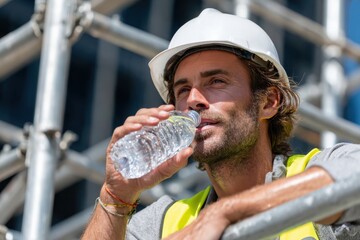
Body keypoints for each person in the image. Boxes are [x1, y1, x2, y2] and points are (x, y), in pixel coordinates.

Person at [82, 8, 360, 240]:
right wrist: (115, 195)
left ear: (269, 102)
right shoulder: (164, 221)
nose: (194, 100)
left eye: (216, 82)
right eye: (182, 90)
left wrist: (226, 212)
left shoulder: (315, 170)